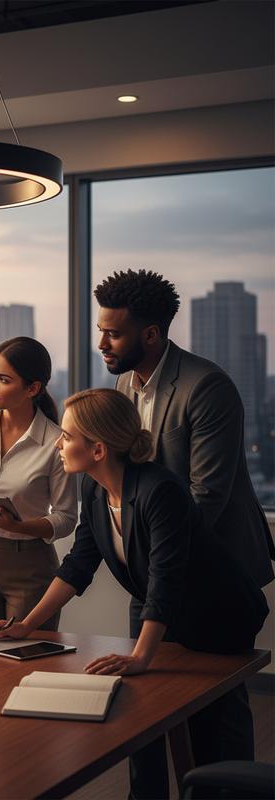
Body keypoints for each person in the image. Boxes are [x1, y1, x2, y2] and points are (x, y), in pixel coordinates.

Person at [0, 388, 268, 800]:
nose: (58, 445)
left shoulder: (160, 490)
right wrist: (27, 625)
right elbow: (78, 564)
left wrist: (141, 655)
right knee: (142, 720)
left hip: (218, 617)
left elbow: (165, 578)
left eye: (66, 437)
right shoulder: (95, 490)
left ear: (97, 449)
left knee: (208, 726)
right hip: (165, 614)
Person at [94, 268, 274, 797]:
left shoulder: (207, 386)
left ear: (151, 334)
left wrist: (158, 560)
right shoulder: (125, 382)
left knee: (216, 707)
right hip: (153, 571)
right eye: (101, 330)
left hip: (214, 570)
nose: (102, 342)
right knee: (139, 700)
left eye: (114, 333)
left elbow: (208, 497)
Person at [0, 337, 76, 628]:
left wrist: (17, 527)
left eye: (3, 379)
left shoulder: (55, 441)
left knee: (24, 657)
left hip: (30, 564)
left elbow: (66, 518)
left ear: (32, 388)